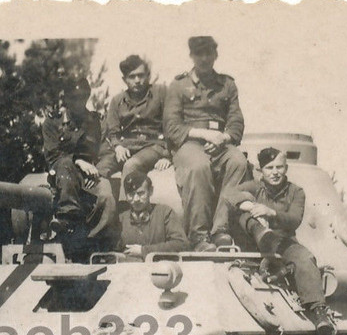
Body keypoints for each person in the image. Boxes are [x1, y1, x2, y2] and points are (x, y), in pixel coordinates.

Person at [217, 147, 336, 335]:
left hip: (283, 243)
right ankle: (263, 235)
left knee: (305, 258)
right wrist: (250, 206)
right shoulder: (254, 187)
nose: (275, 172)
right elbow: (229, 194)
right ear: (261, 170)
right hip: (252, 242)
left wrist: (271, 213)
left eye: (279, 167)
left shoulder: (296, 192)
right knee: (246, 216)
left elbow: (294, 219)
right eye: (269, 168)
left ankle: (319, 311)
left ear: (286, 168)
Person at [164, 36, 251, 248]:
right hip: (190, 142)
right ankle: (199, 236)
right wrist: (204, 135)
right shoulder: (178, 85)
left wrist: (224, 138)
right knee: (199, 167)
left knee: (238, 161)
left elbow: (236, 122)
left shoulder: (227, 85)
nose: (204, 59)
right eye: (199, 54)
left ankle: (221, 229)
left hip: (220, 143)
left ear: (215, 55)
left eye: (208, 53)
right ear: (191, 56)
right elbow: (171, 126)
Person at [41, 77, 120, 260]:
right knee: (65, 165)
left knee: (107, 196)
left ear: (88, 96)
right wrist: (77, 161)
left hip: (92, 174)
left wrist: (99, 172)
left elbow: (107, 152)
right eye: (74, 97)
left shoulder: (96, 122)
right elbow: (53, 156)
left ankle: (92, 241)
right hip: (63, 175)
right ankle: (67, 219)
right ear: (66, 98)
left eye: (82, 97)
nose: (78, 102)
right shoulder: (53, 122)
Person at [96, 55, 172, 186]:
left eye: (141, 75)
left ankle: (128, 200)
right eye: (132, 77)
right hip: (126, 147)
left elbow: (172, 125)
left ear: (147, 76)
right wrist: (118, 147)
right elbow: (113, 132)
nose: (137, 80)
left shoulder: (161, 93)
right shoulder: (117, 101)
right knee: (100, 169)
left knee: (131, 165)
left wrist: (167, 156)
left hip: (152, 146)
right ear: (124, 79)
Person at [118, 172, 188, 259]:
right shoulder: (121, 219)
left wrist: (144, 251)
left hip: (159, 266)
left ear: (150, 191)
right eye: (131, 194)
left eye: (140, 193)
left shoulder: (165, 213)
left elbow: (181, 244)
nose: (136, 199)